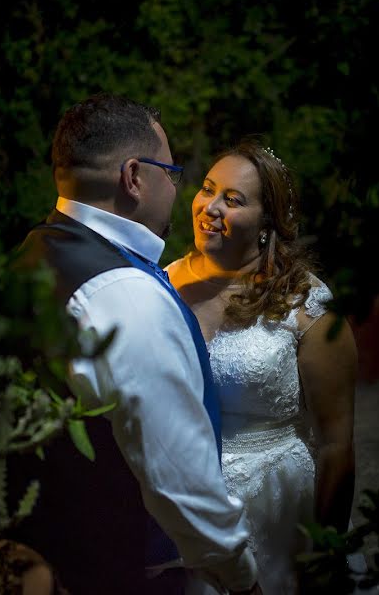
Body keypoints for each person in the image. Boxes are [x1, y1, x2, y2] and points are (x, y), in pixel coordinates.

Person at [13, 94, 262, 595]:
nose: (176, 187)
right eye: (170, 172)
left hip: (57, 555)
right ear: (133, 176)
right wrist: (240, 577)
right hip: (133, 573)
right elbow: (178, 474)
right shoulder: (123, 293)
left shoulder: (33, 252)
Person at [166, 138, 360, 594]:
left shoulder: (306, 305)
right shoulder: (162, 286)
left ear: (267, 223)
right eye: (208, 189)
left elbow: (335, 444)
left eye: (232, 200)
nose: (209, 207)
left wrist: (323, 552)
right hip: (185, 499)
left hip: (278, 508)